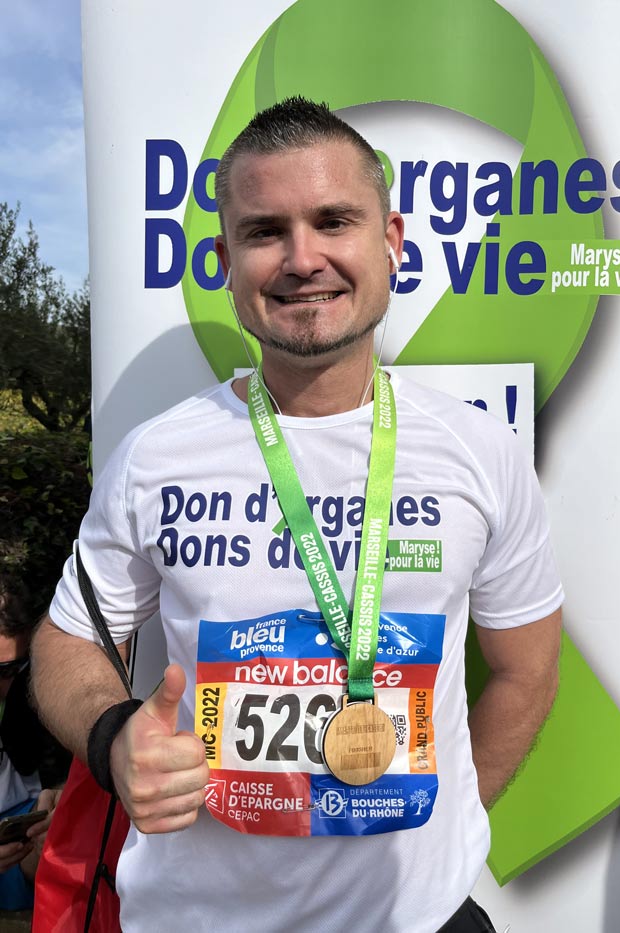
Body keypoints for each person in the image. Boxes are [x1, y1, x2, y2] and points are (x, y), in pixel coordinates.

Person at [31, 98, 563, 932]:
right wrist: (112, 735)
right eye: (265, 231)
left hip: (416, 918)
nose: (303, 258)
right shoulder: (154, 456)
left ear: (391, 240)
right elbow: (65, 641)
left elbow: (528, 669)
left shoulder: (481, 451)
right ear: (225, 260)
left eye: (334, 221)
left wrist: (443, 820)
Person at [0, 575, 66, 910]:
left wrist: (62, 795)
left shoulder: (33, 684)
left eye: (10, 670)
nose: (5, 687)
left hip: (19, 827)